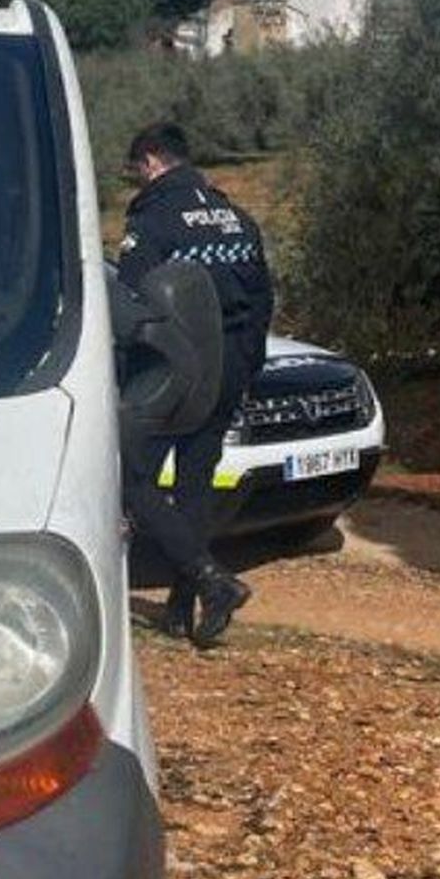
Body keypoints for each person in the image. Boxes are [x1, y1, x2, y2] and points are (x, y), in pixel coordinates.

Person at [118, 122, 273, 647]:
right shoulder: (236, 218)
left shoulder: (155, 217)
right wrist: (247, 365)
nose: (138, 180)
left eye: (137, 170)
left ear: (153, 161)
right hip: (231, 361)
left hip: (175, 367)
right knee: (194, 485)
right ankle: (182, 608)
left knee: (133, 479)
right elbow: (262, 298)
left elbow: (134, 299)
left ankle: (212, 581)